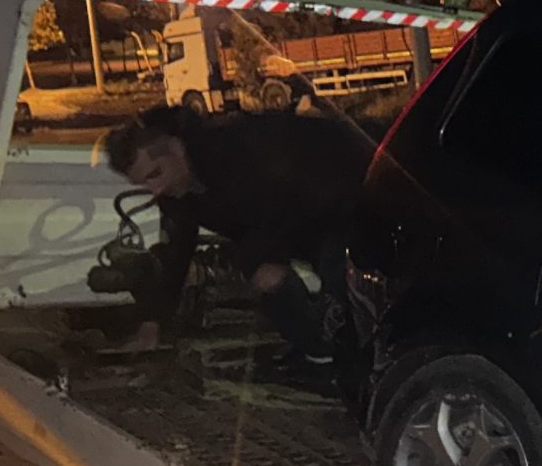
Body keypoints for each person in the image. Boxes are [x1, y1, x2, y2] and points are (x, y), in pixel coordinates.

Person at [98, 102, 371, 375]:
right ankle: (320, 351)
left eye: (156, 174)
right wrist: (152, 321)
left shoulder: (235, 146)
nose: (155, 189)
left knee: (340, 276)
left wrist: (269, 256)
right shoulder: (177, 193)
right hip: (305, 220)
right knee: (261, 272)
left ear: (177, 148)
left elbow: (291, 194)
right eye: (144, 183)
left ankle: (363, 359)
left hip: (350, 195)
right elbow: (176, 251)